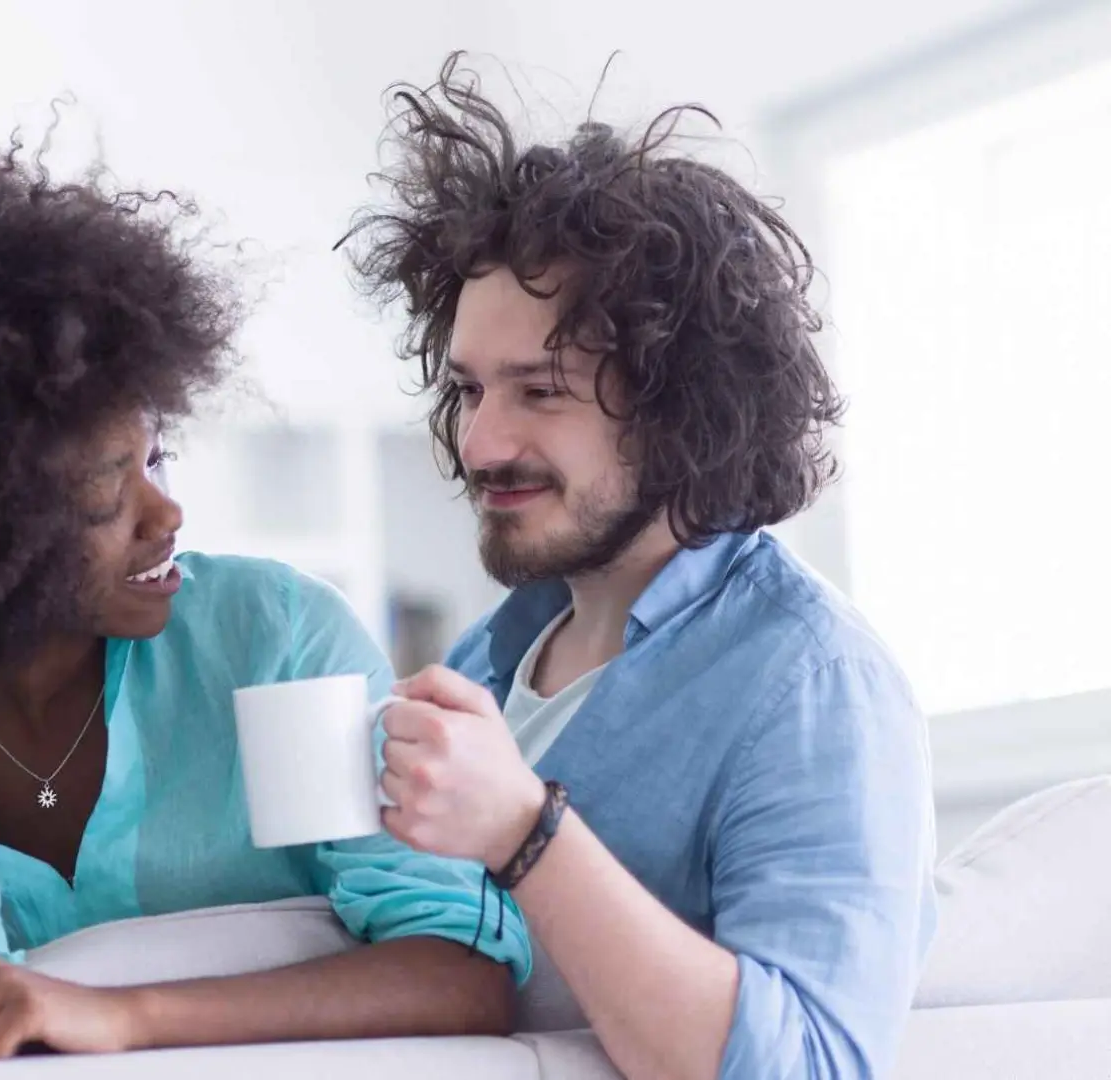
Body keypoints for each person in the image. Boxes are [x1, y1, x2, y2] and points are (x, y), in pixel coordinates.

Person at [0, 145, 526, 1062]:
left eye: (158, 457)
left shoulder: (269, 642)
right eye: (110, 488)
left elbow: (458, 974)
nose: (167, 513)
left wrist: (119, 1014)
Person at [343, 57, 936, 1080]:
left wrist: (526, 834)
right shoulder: (502, 650)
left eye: (541, 390)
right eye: (472, 389)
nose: (480, 444)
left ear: (684, 408)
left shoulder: (811, 683)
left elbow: (814, 1065)